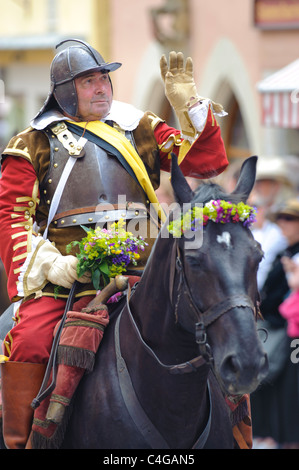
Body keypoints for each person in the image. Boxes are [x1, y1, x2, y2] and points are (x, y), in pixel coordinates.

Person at [0, 39, 228, 449]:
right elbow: (11, 220)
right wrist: (50, 264)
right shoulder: (30, 144)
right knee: (31, 342)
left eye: (104, 78)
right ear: (65, 90)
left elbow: (205, 163)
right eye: (89, 81)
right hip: (67, 283)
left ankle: (239, 434)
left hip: (149, 275)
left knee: (224, 326)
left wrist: (191, 106)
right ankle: (23, 443)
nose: (103, 87)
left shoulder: (137, 127)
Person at [251, 198, 299, 449]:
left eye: (290, 219)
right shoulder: (284, 252)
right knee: (263, 377)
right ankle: (267, 433)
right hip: (277, 325)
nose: (284, 224)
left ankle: (281, 436)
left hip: (288, 328)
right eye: (281, 218)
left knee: (279, 382)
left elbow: (289, 296)